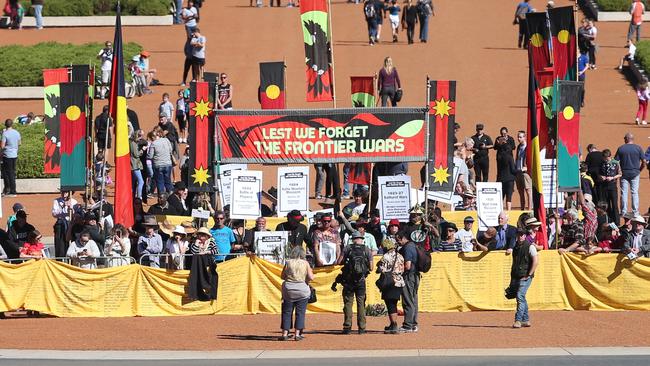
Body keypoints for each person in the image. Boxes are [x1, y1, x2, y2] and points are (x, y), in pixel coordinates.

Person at [335, 231, 372, 334]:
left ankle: (347, 327)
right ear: (361, 238)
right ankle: (362, 327)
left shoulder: (348, 248)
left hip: (348, 280)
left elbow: (339, 261)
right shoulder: (366, 249)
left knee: (348, 303)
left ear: (353, 239)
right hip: (361, 280)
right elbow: (372, 267)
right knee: (361, 304)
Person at [280, 246, 314, 341]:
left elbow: (282, 276)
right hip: (302, 290)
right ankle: (297, 334)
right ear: (303, 254)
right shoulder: (305, 263)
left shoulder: (288, 262)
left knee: (286, 312)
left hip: (288, 290)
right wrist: (305, 279)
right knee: (300, 313)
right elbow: (311, 277)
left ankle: (284, 333)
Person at [509, 229, 538, 329]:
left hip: (526, 276)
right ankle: (525, 320)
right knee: (521, 297)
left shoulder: (530, 247)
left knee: (520, 296)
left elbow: (535, 261)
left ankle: (518, 320)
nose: (520, 237)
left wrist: (529, 275)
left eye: (522, 235)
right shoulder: (516, 247)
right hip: (517, 275)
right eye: (518, 235)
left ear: (525, 236)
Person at [376, 236, 404, 334]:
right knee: (394, 303)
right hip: (399, 281)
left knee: (390, 304)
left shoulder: (386, 256)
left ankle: (394, 324)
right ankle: (393, 324)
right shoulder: (400, 256)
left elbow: (382, 270)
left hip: (389, 282)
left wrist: (378, 267)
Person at [615, 133, 645, 217]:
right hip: (635, 173)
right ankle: (635, 212)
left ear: (627, 139)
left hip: (624, 174)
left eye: (624, 138)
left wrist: (619, 170)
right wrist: (639, 170)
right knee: (634, 192)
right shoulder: (638, 148)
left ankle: (623, 211)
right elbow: (644, 162)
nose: (624, 139)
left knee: (624, 193)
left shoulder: (621, 148)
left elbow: (616, 161)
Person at [396, 230, 419, 332]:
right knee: (413, 300)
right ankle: (413, 324)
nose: (398, 242)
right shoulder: (413, 245)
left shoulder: (407, 248)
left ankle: (407, 325)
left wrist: (399, 271)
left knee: (408, 300)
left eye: (398, 240)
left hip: (409, 277)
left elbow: (408, 265)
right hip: (415, 276)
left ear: (403, 238)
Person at [51, 191, 78, 258]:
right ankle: (61, 258)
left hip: (71, 222)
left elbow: (76, 213)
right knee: (60, 244)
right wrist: (63, 206)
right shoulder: (57, 201)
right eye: (62, 192)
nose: (63, 193)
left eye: (65, 192)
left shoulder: (74, 201)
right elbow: (54, 214)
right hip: (61, 222)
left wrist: (71, 208)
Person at [147, 128, 174, 195]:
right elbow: (171, 150)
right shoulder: (166, 140)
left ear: (153, 137)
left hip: (158, 165)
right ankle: (171, 196)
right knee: (168, 181)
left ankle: (161, 197)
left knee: (160, 182)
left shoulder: (153, 144)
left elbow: (150, 156)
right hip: (168, 164)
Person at [598, 149, 621, 224]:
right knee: (606, 205)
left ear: (609, 156)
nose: (605, 160)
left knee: (614, 204)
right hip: (604, 186)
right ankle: (609, 220)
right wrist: (601, 177)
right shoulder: (602, 163)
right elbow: (598, 174)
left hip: (612, 186)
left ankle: (617, 222)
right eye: (604, 158)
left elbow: (620, 174)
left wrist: (612, 177)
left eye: (606, 158)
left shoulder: (616, 163)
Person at [496, 137, 517, 211]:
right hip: (510, 179)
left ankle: (500, 211)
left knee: (501, 197)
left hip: (501, 179)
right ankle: (509, 212)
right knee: (509, 198)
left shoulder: (499, 157)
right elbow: (513, 170)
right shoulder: (510, 157)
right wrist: (521, 170)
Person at [1, 118, 21, 197]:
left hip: (7, 155)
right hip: (14, 155)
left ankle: (11, 191)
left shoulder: (5, 134)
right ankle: (10, 190)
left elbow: (2, 146)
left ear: (5, 125)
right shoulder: (16, 132)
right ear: (12, 124)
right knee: (12, 172)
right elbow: (19, 143)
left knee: (7, 173)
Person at [515, 131, 532, 210]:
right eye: (518, 137)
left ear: (525, 137)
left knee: (528, 190)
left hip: (526, 172)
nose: (519, 138)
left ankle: (529, 209)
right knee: (520, 191)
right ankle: (522, 209)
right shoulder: (519, 147)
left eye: (521, 137)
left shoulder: (528, 147)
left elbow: (532, 159)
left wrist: (528, 167)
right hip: (518, 171)